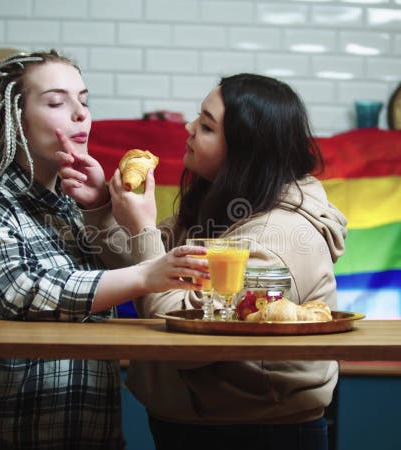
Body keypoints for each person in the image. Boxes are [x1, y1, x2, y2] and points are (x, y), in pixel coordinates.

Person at [0, 50, 207, 450]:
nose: (81, 114)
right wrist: (146, 275)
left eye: (84, 99)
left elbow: (117, 276)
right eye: (57, 102)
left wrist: (100, 207)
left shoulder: (70, 202)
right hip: (4, 435)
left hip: (93, 433)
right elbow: (19, 292)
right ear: (16, 119)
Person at [99, 73, 347, 449]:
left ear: (246, 150)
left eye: (206, 125)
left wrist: (142, 227)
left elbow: (186, 331)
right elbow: (142, 263)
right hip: (197, 421)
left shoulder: (276, 238)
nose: (188, 127)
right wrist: (98, 206)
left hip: (258, 432)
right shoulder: (226, 203)